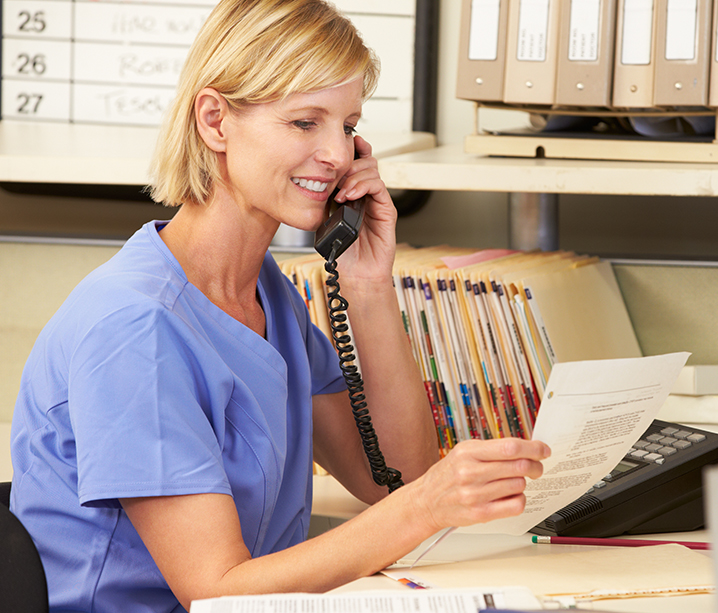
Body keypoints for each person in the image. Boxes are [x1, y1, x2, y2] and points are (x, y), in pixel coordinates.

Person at [9, 1, 551, 611]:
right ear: (215, 121)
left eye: (347, 126)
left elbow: (391, 479)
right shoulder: (134, 328)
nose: (338, 156)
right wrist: (426, 507)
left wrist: (368, 288)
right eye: (304, 123)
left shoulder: (269, 294)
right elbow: (213, 589)